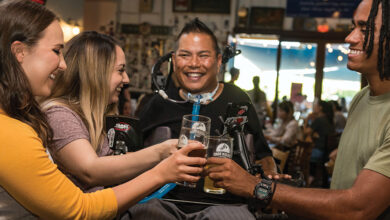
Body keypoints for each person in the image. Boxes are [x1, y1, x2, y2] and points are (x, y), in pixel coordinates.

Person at [0, 1, 206, 219]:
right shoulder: (11, 132)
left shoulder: (18, 121)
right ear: (19, 52)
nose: (63, 64)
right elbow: (80, 208)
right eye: (56, 51)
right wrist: (161, 171)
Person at [206, 0, 390, 218]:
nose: (350, 38)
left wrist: (255, 187)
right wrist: (285, 188)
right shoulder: (362, 98)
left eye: (365, 28)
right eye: (353, 27)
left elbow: (357, 208)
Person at [132, 18, 282, 219]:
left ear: (219, 61)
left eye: (203, 56)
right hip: (163, 202)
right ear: (174, 61)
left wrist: (270, 174)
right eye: (185, 55)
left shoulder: (238, 100)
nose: (194, 64)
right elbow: (131, 155)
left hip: (225, 205)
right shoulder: (159, 102)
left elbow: (264, 155)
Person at [41, 31, 188, 194]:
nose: (126, 79)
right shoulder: (59, 115)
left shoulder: (97, 118)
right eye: (120, 70)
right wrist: (160, 152)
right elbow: (90, 171)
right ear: (96, 73)